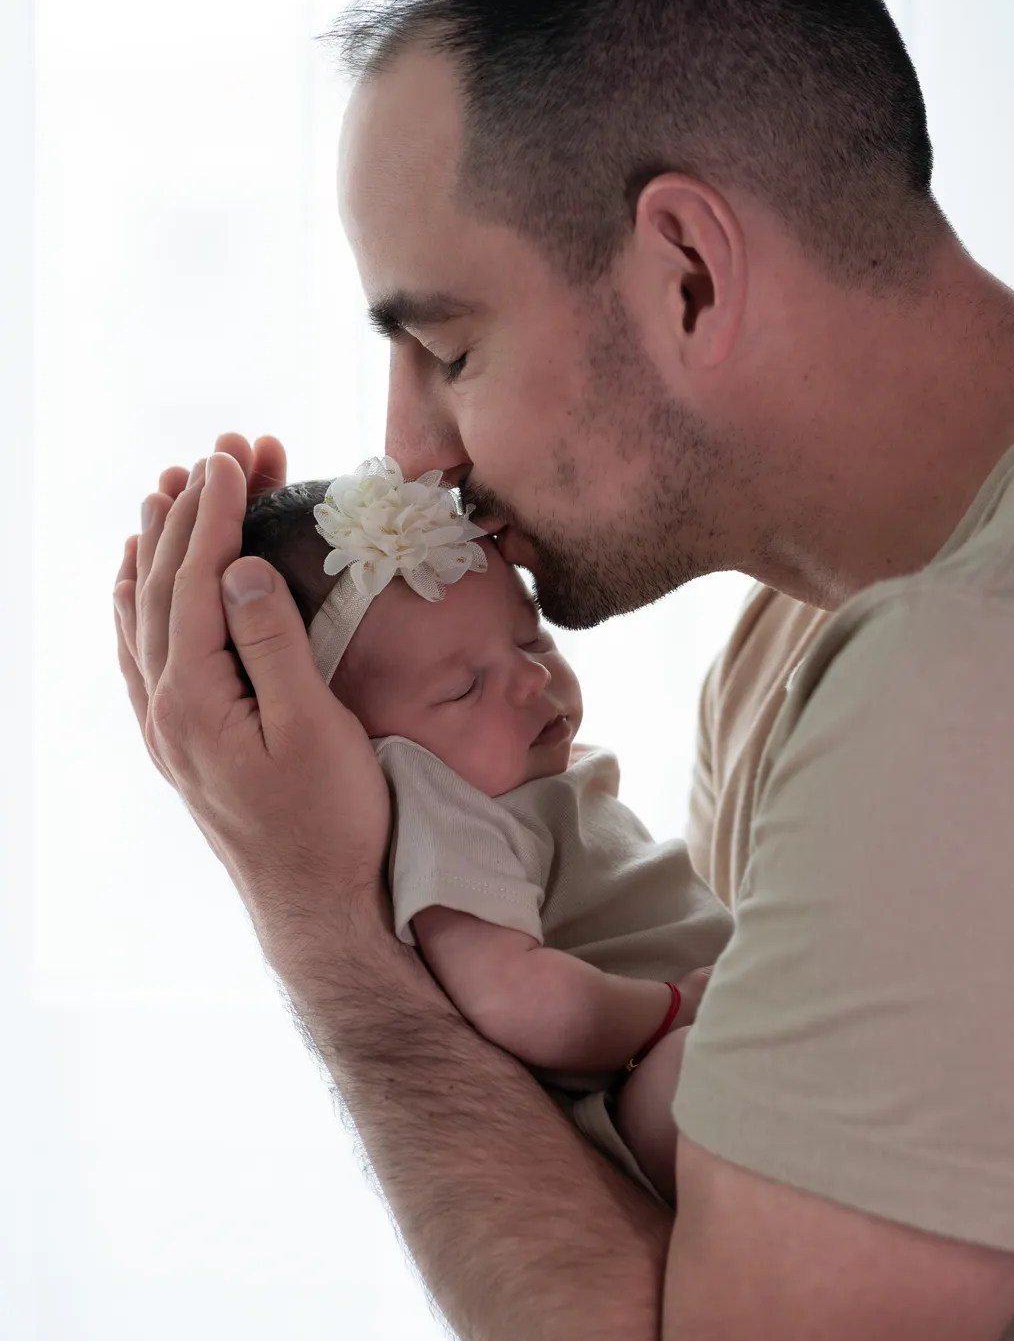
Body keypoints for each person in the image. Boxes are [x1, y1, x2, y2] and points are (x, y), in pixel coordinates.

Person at [113, 0, 1014, 1341]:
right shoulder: (808, 645)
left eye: (452, 350)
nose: (409, 457)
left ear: (687, 271)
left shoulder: (985, 677)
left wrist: (326, 927)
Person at [242, 459, 731, 1204]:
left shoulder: (515, 788)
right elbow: (523, 1001)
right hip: (647, 1069)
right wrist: (678, 1005)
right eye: (464, 686)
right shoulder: (439, 805)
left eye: (530, 641)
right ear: (364, 748)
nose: (532, 678)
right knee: (703, 1082)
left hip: (715, 1014)